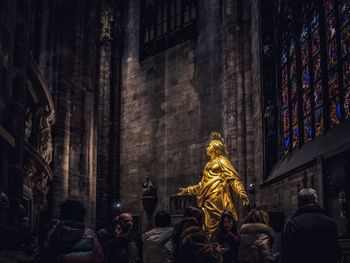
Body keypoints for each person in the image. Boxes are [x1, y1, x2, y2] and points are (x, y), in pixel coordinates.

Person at [177, 131, 249, 237]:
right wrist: (188, 190)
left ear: (215, 148)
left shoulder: (222, 161)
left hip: (219, 198)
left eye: (209, 146)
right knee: (207, 227)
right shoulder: (207, 165)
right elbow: (202, 185)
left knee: (221, 222)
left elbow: (232, 179)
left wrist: (241, 192)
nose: (207, 148)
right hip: (207, 201)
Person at [283, 188, 341, 263]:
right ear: (316, 201)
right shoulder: (330, 222)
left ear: (299, 202)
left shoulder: (293, 223)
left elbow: (288, 253)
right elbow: (336, 250)